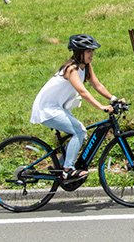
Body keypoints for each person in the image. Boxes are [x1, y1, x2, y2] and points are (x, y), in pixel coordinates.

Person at [29, 34, 120, 183]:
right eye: (89, 51)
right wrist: (101, 107)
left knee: (79, 132)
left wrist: (113, 98)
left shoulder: (86, 67)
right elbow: (83, 92)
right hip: (47, 109)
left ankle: (59, 165)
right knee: (80, 131)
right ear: (79, 52)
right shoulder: (71, 69)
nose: (92, 54)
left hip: (57, 107)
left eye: (92, 51)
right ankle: (67, 170)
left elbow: (97, 85)